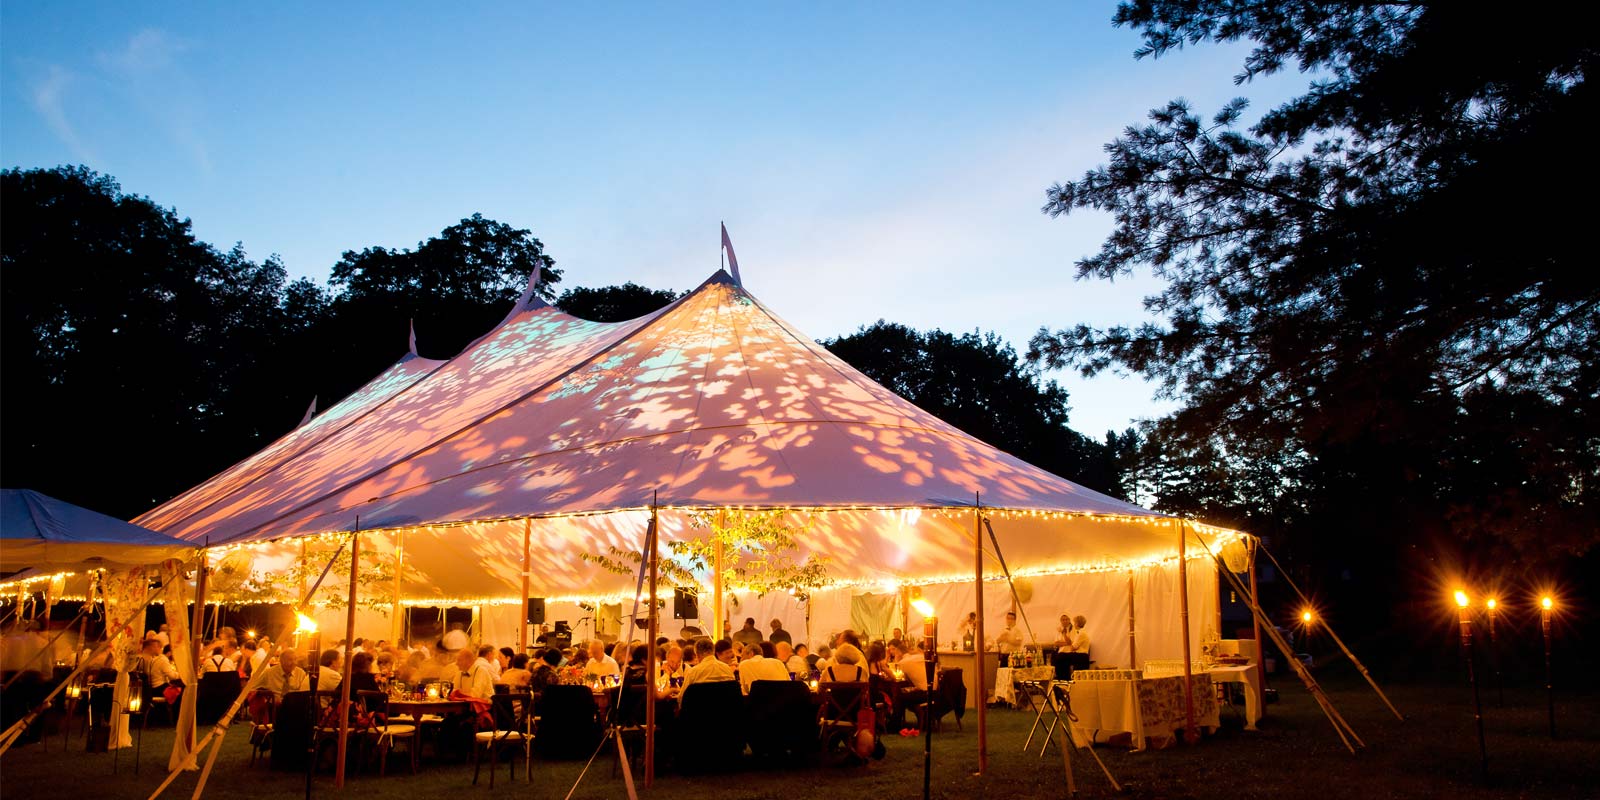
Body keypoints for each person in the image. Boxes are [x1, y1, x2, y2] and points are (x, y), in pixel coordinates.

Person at [679, 637, 734, 701]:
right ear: (713, 652)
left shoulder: (693, 672)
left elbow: (682, 698)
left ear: (697, 655)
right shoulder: (727, 669)